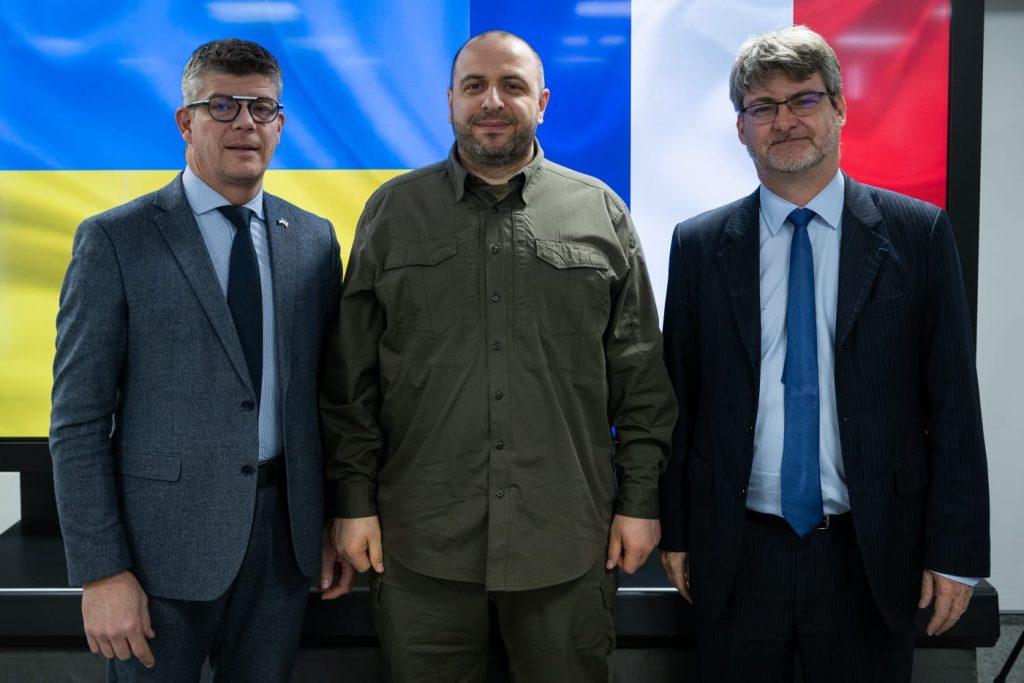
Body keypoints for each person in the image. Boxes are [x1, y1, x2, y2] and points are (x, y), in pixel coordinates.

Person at [320, 30, 676, 681]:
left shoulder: (600, 212)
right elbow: (351, 382)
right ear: (449, 101)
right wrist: (352, 500)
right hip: (419, 544)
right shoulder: (392, 213)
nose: (493, 101)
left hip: (568, 541)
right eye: (475, 86)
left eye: (512, 86)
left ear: (541, 101)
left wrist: (641, 501)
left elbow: (642, 379)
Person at [658, 25, 990, 682]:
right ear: (741, 127)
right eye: (763, 106)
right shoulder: (697, 244)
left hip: (870, 552)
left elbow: (952, 401)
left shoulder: (917, 234)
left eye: (804, 100)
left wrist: (956, 551)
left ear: (839, 108)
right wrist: (676, 529)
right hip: (736, 552)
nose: (785, 121)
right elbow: (677, 399)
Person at [49, 38, 352, 680]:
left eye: (262, 108)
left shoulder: (315, 242)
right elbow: (77, 423)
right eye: (223, 105)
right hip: (157, 555)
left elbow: (326, 402)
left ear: (280, 126)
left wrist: (328, 522)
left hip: (284, 547)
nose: (245, 122)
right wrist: (102, 571)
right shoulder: (114, 240)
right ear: (186, 121)